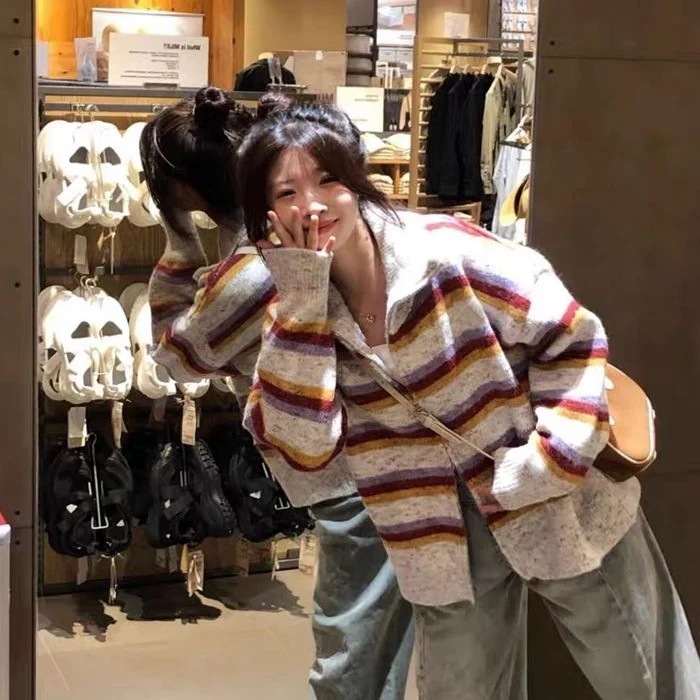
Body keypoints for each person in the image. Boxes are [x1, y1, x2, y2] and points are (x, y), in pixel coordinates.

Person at [236, 98, 700, 699]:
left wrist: (548, 464)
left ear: (356, 180)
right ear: (266, 213)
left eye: (328, 179)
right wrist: (302, 300)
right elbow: (305, 451)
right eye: (287, 192)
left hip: (556, 496)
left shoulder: (441, 253)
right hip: (433, 535)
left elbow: (572, 336)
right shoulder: (294, 314)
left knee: (649, 679)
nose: (312, 205)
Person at [140, 87, 415, 700]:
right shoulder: (296, 238)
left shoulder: (255, 267)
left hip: (349, 473)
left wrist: (179, 240)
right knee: (384, 647)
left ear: (183, 191)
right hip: (382, 455)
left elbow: (176, 353)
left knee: (351, 660)